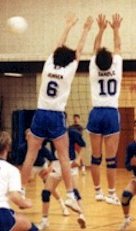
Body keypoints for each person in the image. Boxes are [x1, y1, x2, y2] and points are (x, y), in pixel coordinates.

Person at [20, 13, 93, 214]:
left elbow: (58, 46)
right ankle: (70, 195)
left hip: (40, 114)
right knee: (63, 158)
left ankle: (21, 190)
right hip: (56, 116)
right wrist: (86, 29)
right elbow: (79, 50)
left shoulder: (48, 65)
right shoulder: (69, 70)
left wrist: (68, 26)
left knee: (30, 155)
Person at [87, 13, 123, 205]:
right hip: (110, 113)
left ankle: (97, 192)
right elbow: (118, 46)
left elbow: (95, 48)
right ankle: (111, 193)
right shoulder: (116, 65)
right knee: (111, 159)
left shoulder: (94, 66)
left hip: (96, 112)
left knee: (95, 156)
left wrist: (100, 30)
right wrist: (115, 29)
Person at [38, 127, 86, 230]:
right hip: (56, 165)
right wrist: (50, 163)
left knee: (74, 191)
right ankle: (45, 221)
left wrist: (78, 159)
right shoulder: (51, 132)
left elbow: (83, 145)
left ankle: (82, 215)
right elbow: (40, 145)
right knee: (45, 193)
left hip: (69, 164)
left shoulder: (72, 132)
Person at [16, 129, 69, 216]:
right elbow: (19, 165)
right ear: (26, 137)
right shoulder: (22, 148)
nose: (30, 138)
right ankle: (21, 200)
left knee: (51, 187)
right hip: (30, 167)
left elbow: (52, 160)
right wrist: (25, 174)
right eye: (28, 136)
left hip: (42, 167)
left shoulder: (40, 147)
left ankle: (63, 206)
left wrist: (48, 169)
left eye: (32, 136)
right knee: (22, 183)